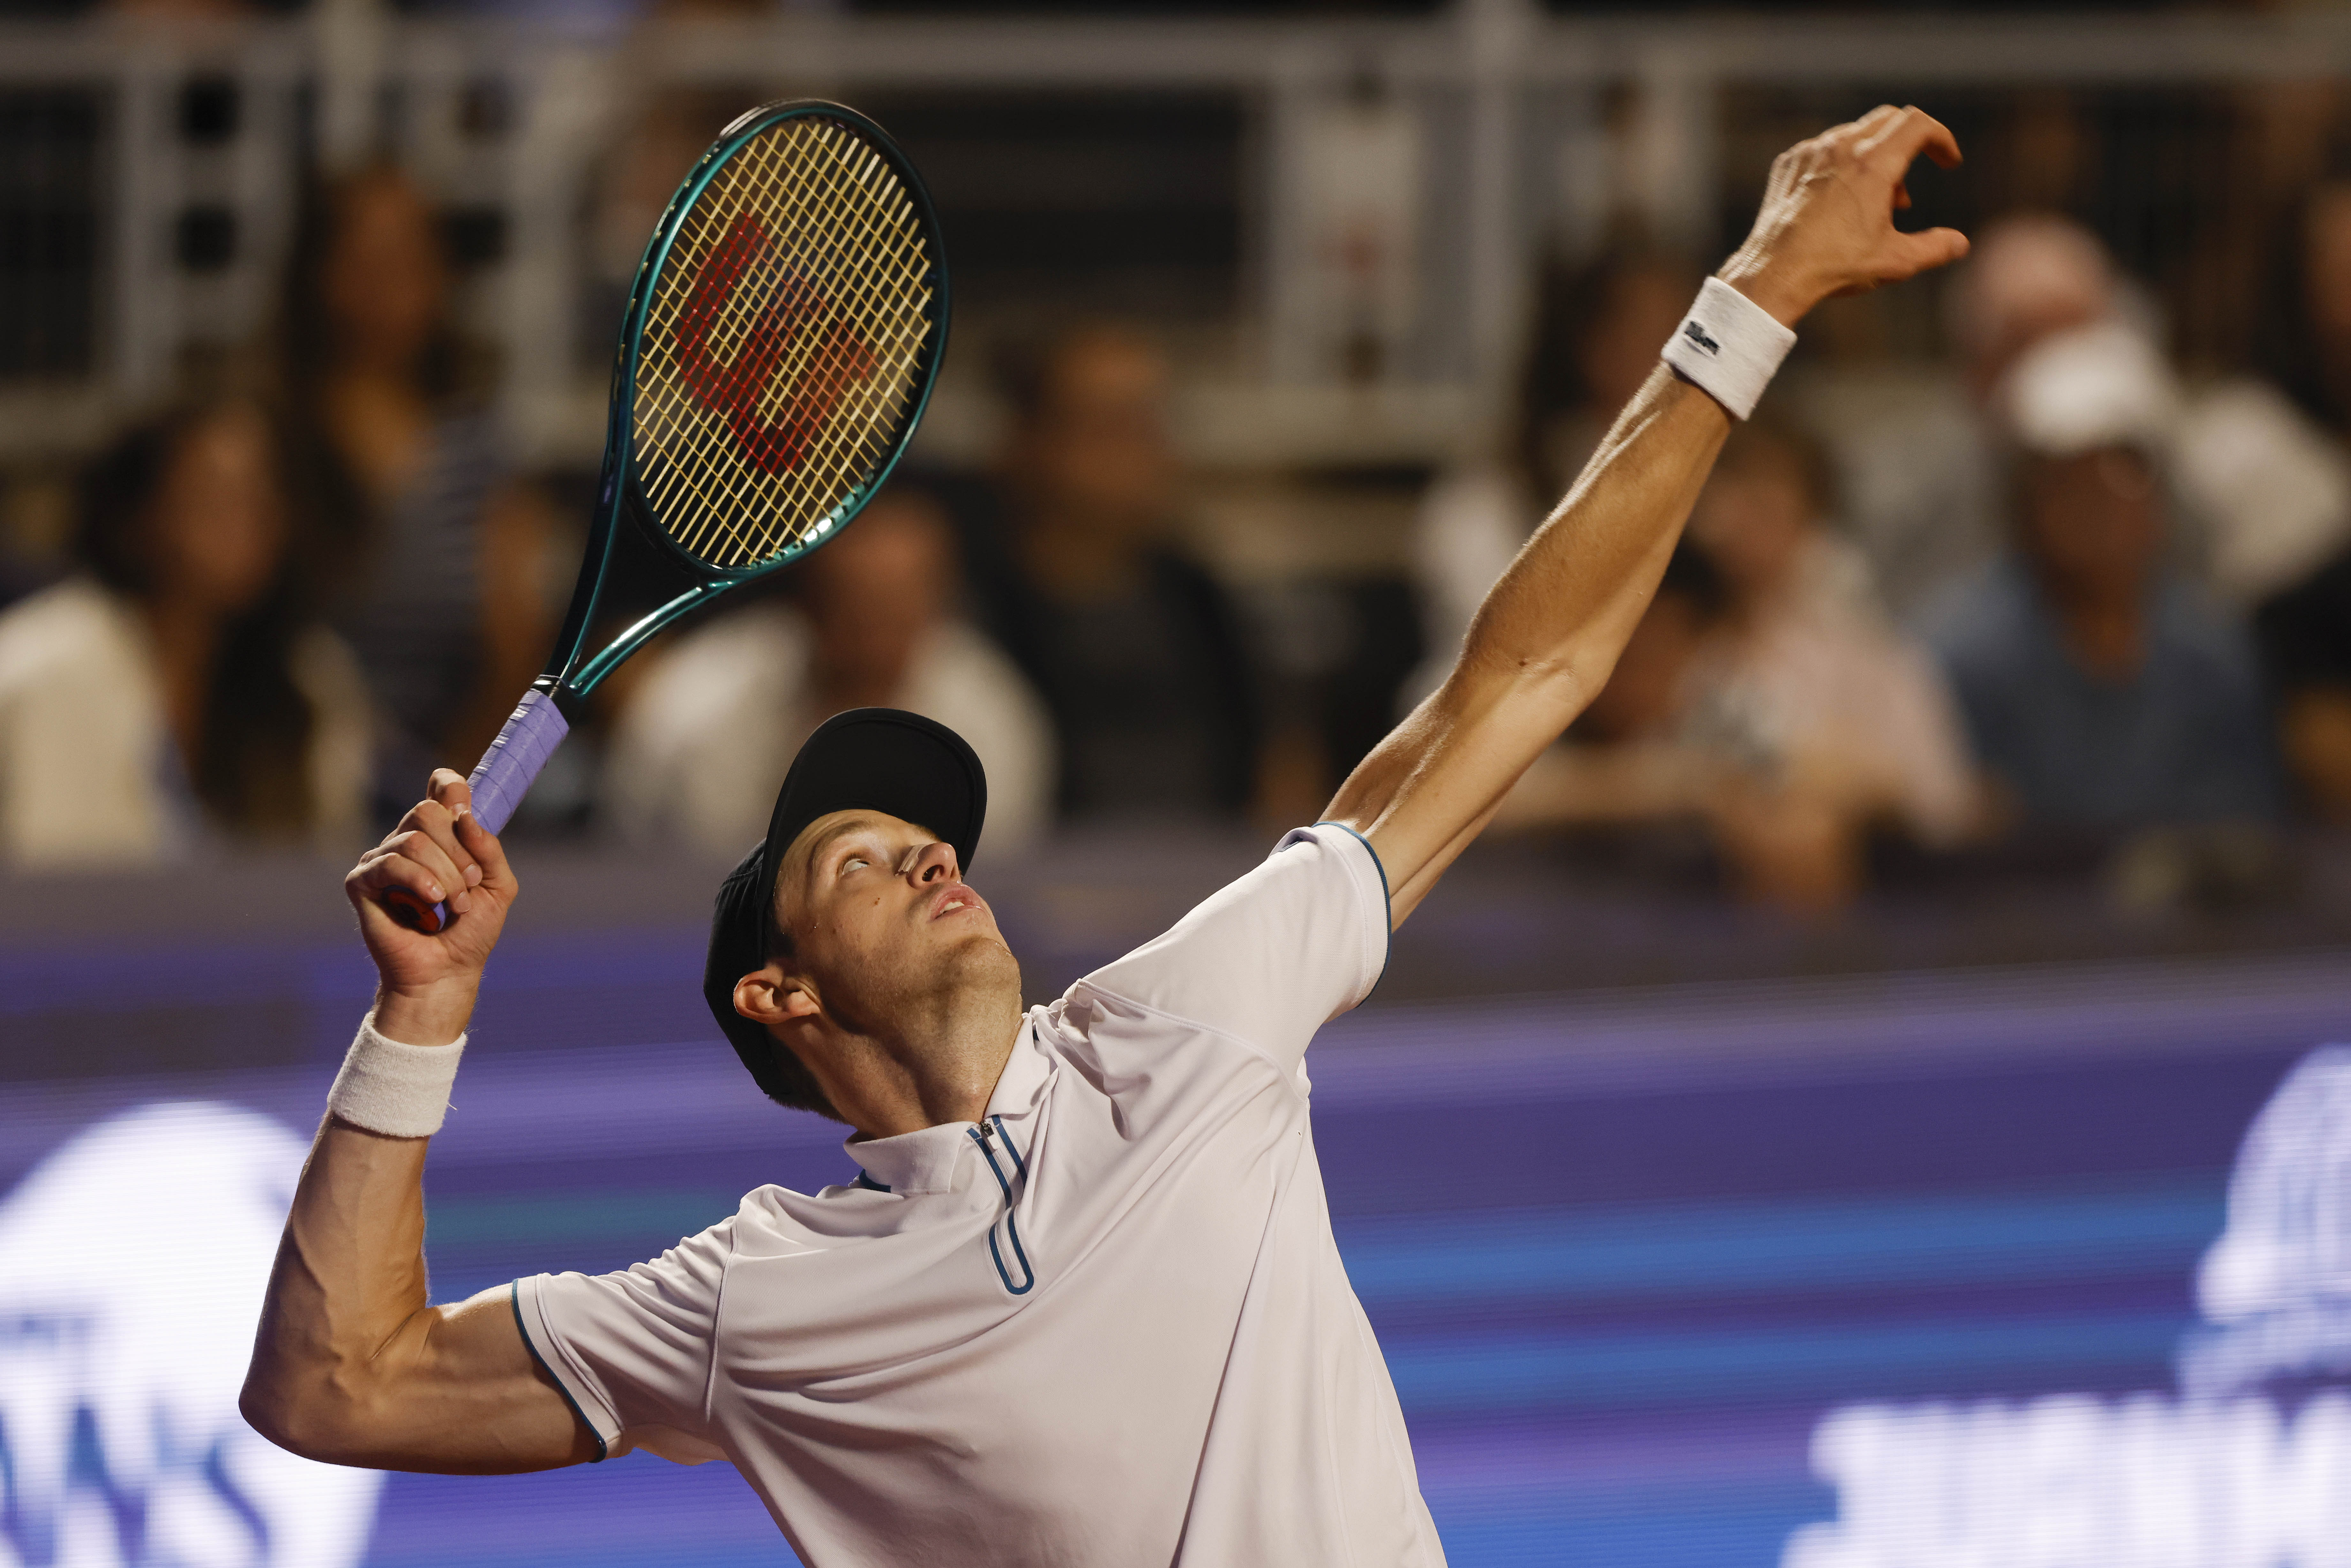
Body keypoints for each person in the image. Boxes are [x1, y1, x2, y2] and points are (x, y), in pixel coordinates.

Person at [240, 107, 1970, 1565]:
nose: (933, 857)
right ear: (780, 1001)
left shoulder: (1182, 1023)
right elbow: (342, 1387)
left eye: (932, 841)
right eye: (860, 857)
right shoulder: (753, 1301)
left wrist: (1747, 301)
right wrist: (419, 1017)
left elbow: (1513, 685)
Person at [277, 164, 556, 822]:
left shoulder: (482, 450)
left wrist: (447, 806)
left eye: (411, 255)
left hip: (456, 790)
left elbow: (515, 648)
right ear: (316, 273)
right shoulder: (273, 441)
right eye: (366, 258)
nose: (389, 282)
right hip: (298, 794)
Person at [1926, 324, 2280, 837]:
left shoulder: (2215, 656)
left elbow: (2249, 832)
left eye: (2121, 478)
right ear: (2022, 504)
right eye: (2065, 481)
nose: (2095, 507)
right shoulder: (1958, 661)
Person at [0, 398, 370, 867]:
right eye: (216, 493)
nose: (247, 518)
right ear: (140, 515)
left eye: (262, 493)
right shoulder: (41, 670)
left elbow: (326, 892)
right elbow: (43, 892)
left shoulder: (313, 686)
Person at [603, 486, 1056, 856]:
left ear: (939, 605)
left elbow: (995, 879)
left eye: (897, 607)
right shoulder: (699, 704)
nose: (873, 637)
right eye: (853, 605)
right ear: (807, 601)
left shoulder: (994, 719)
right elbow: (668, 871)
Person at [953, 323, 1260, 824]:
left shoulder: (1201, 600)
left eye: (1153, 422)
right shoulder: (969, 618)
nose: (1152, 451)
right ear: (1028, 443)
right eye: (1114, 427)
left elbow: (1278, 783)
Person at [1406, 242, 1700, 703]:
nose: (1690, 367)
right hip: (1537, 750)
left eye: (1700, 340)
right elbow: (1489, 684)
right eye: (1657, 336)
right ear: (1593, 348)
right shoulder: (1482, 507)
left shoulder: (1731, 492)